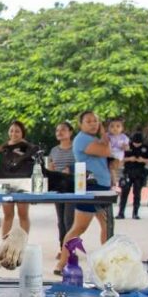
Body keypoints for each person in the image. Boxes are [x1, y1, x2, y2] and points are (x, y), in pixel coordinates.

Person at [54, 111, 112, 274]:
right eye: (88, 121)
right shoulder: (82, 139)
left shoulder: (95, 139)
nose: (93, 123)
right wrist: (104, 135)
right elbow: (108, 151)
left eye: (96, 120)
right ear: (81, 125)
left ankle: (106, 262)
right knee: (79, 227)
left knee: (107, 226)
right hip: (90, 186)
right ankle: (62, 264)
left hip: (102, 185)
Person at [0, 121, 38, 237]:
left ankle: (22, 242)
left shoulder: (29, 148)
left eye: (17, 131)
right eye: (11, 131)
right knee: (7, 215)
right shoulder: (4, 148)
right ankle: (4, 245)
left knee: (23, 214)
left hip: (23, 184)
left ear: (22, 133)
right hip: (6, 185)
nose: (13, 133)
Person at [48, 121, 76, 254]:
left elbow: (83, 166)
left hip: (72, 188)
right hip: (58, 189)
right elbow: (51, 168)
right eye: (57, 130)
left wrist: (70, 170)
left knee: (69, 220)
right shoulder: (53, 150)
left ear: (70, 132)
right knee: (61, 221)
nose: (59, 132)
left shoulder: (76, 148)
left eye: (63, 129)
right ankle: (62, 248)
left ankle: (70, 250)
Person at [117, 132, 148, 219]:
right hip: (128, 172)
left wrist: (142, 160)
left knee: (137, 193)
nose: (136, 145)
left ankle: (135, 213)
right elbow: (119, 159)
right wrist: (129, 159)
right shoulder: (127, 147)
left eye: (138, 143)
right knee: (124, 193)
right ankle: (121, 213)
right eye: (135, 143)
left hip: (139, 173)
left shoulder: (145, 148)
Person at [107, 117, 129, 187]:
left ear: (122, 128)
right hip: (108, 154)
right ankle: (111, 182)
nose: (115, 128)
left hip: (117, 156)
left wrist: (125, 147)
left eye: (118, 126)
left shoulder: (124, 137)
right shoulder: (107, 135)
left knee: (111, 167)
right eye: (112, 126)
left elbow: (127, 147)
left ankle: (114, 182)